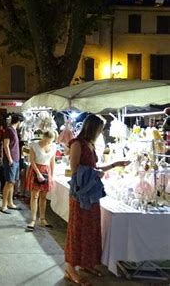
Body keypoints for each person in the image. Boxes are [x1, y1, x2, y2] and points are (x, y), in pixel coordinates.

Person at [64, 114, 130, 284]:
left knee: (91, 230)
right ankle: (70, 269)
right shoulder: (77, 144)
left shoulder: (90, 144)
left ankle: (86, 263)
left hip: (91, 194)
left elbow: (94, 167)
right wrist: (96, 173)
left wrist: (115, 165)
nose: (102, 131)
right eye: (101, 128)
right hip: (81, 196)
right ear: (93, 128)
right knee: (78, 230)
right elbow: (75, 169)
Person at [25, 131, 56, 231]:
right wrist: (38, 173)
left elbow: (52, 161)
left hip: (46, 170)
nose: (48, 143)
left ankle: (42, 218)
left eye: (50, 141)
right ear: (43, 138)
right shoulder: (34, 145)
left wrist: (52, 175)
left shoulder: (53, 146)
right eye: (46, 141)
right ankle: (33, 219)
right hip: (36, 169)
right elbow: (32, 161)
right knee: (34, 195)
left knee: (43, 197)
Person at [0, 114, 23, 214]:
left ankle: (10, 202)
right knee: (9, 182)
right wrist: (9, 159)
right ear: (18, 121)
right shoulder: (9, 130)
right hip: (12, 160)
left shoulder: (14, 131)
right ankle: (4, 205)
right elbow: (6, 145)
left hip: (16, 159)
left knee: (13, 182)